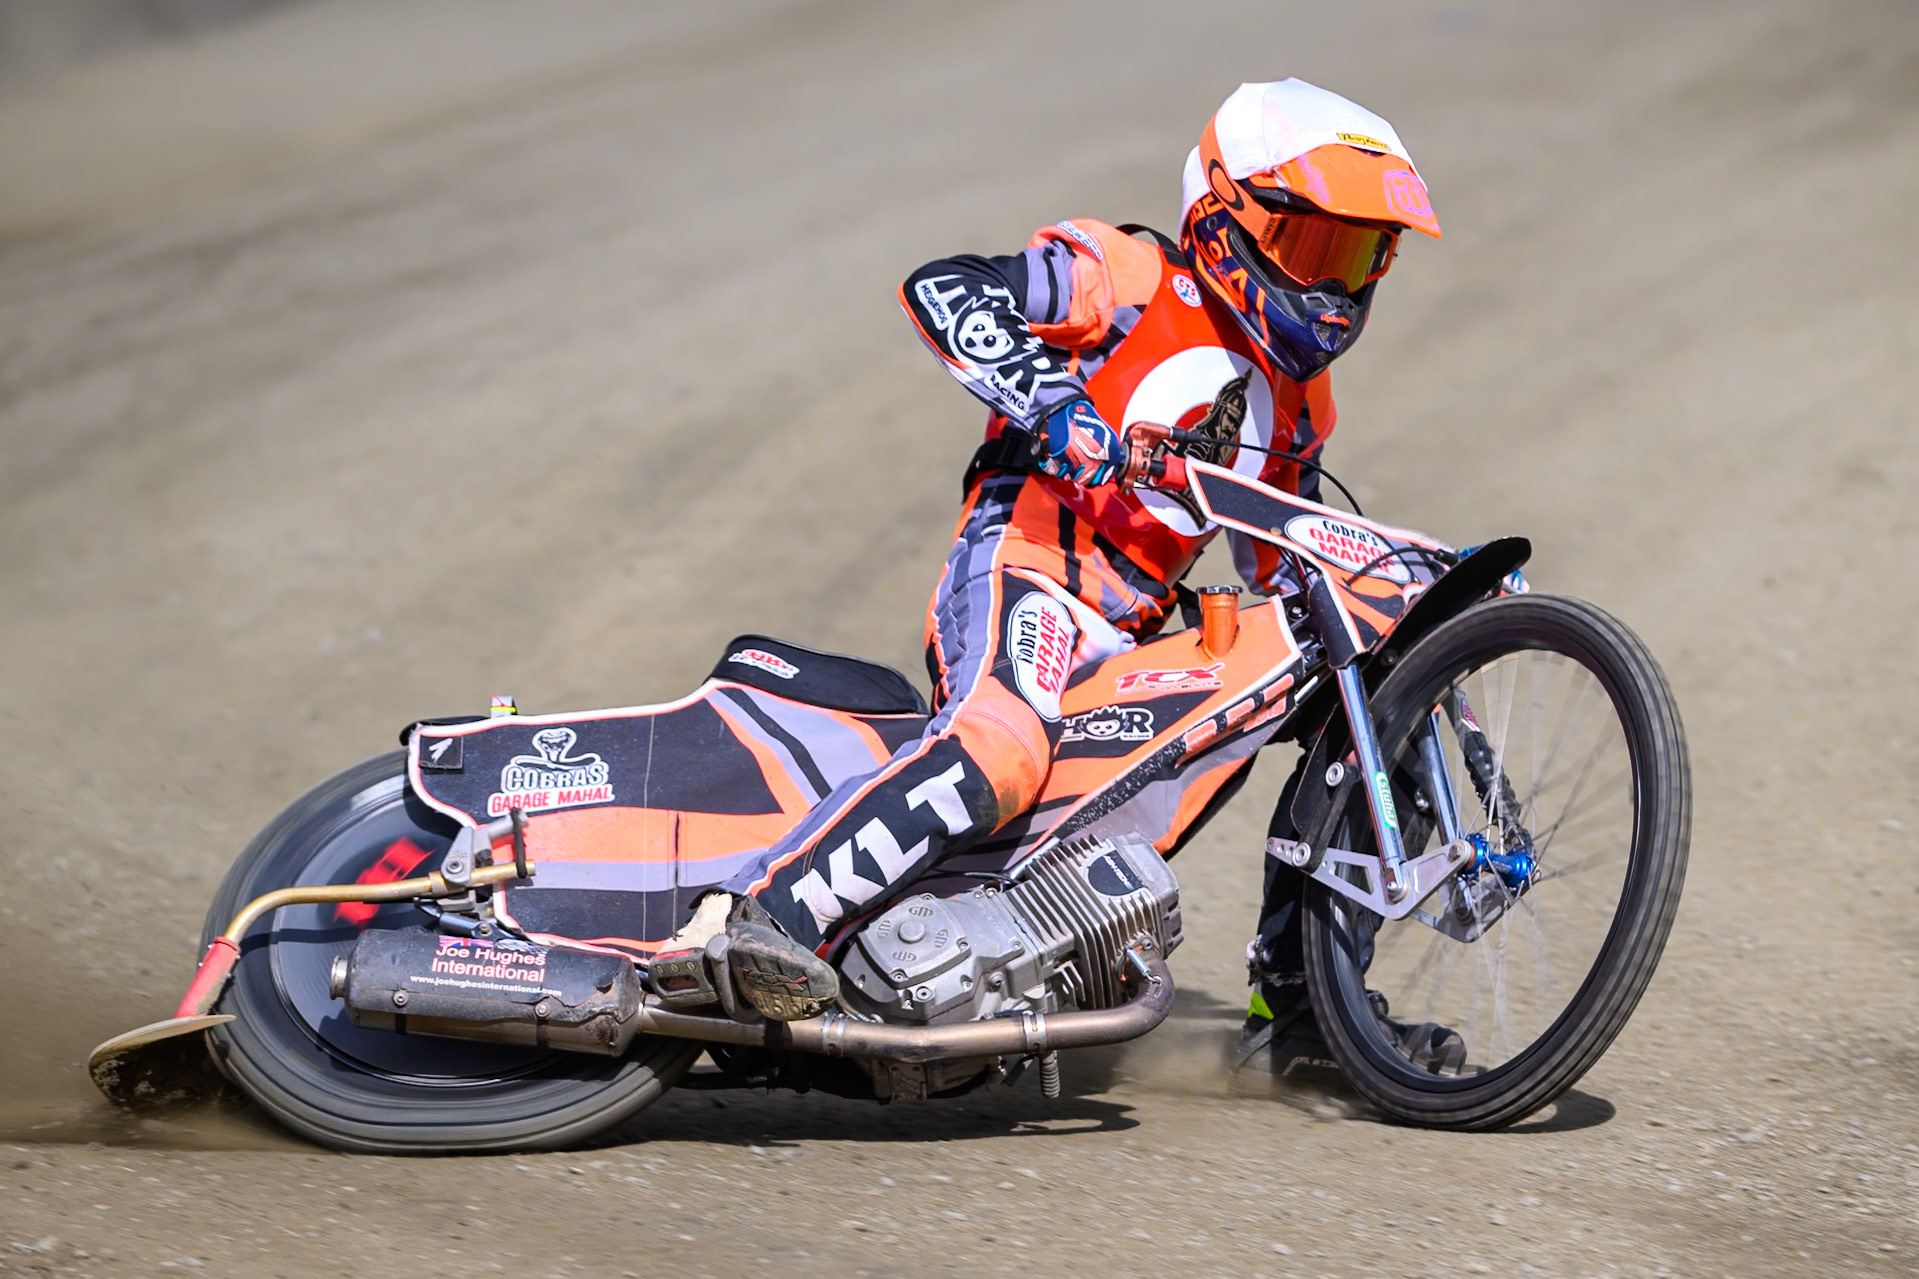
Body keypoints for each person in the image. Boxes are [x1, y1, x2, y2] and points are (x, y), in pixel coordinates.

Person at [659, 79, 1455, 1067]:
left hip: (1133, 633)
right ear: (1227, 216)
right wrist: (1050, 400)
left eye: (1359, 258)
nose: (1333, 289)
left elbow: (1277, 568)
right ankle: (749, 924)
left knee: (1360, 685)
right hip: (1026, 564)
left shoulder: (1301, 403)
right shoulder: (1125, 274)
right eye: (1313, 249)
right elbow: (945, 287)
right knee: (1002, 748)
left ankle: (1303, 1012)